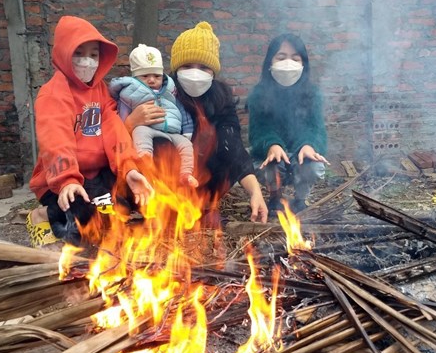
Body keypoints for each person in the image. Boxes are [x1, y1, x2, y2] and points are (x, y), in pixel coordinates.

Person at [26, 15, 154, 248]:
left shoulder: (99, 89)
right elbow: (55, 140)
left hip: (97, 176)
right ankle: (42, 215)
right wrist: (67, 181)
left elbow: (114, 128)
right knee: (83, 220)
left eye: (93, 55)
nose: (87, 61)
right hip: (64, 181)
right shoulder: (53, 93)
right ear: (64, 53)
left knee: (132, 202)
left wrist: (129, 169)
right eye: (79, 53)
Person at [123, 21, 268, 225]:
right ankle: (162, 208)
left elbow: (234, 148)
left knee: (225, 147)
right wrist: (131, 123)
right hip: (164, 180)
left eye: (203, 67)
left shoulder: (222, 100)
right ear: (175, 69)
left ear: (213, 72)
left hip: (203, 182)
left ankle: (204, 207)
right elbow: (121, 139)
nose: (195, 73)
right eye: (187, 66)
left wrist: (255, 192)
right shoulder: (158, 95)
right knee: (158, 144)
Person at [247, 33, 329, 214]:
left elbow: (316, 129)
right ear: (270, 62)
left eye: (295, 58)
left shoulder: (312, 94)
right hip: (271, 155)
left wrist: (309, 145)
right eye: (281, 57)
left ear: (303, 64)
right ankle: (275, 197)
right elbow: (257, 130)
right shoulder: (258, 94)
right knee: (271, 165)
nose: (288, 62)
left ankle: (301, 199)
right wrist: (272, 145)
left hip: (299, 155)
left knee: (312, 166)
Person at [109, 44, 198, 188]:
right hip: (147, 128)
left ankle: (186, 174)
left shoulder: (170, 91)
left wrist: (187, 131)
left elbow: (181, 110)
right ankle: (145, 162)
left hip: (173, 132)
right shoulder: (129, 93)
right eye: (145, 76)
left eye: (156, 76)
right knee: (140, 133)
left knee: (187, 145)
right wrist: (127, 124)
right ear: (135, 77)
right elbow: (122, 114)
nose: (151, 80)